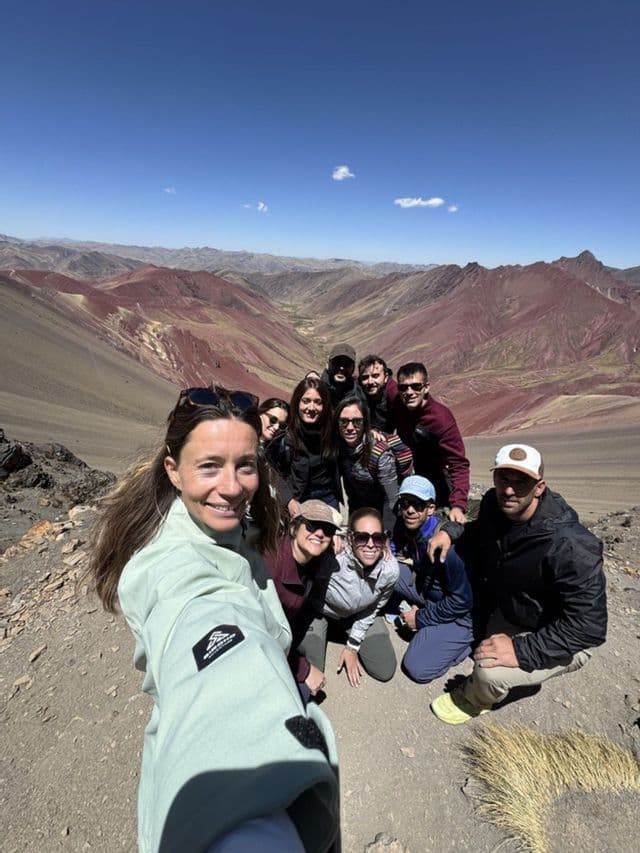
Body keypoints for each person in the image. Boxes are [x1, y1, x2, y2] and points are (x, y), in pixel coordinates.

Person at [88, 386, 340, 852]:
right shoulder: (174, 569)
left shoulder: (225, 522)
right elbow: (206, 623)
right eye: (209, 465)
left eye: (245, 465)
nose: (231, 486)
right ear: (174, 470)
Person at [429, 443, 607, 725]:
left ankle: (474, 700)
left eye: (521, 481)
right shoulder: (494, 505)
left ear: (539, 487)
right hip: (517, 607)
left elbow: (590, 628)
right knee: (484, 642)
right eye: (503, 478)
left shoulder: (569, 545)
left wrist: (522, 650)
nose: (509, 490)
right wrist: (450, 532)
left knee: (488, 670)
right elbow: (476, 529)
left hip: (559, 631)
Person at [301, 508, 399, 688]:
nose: (370, 544)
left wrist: (352, 646)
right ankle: (321, 632)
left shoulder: (390, 570)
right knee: (311, 673)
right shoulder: (332, 554)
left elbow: (375, 608)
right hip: (320, 612)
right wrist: (331, 537)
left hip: (358, 614)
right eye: (362, 537)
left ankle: (339, 632)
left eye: (377, 538)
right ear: (351, 537)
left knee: (384, 669)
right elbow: (302, 540)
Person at [390, 476, 473, 683]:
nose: (409, 510)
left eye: (417, 504)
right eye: (405, 503)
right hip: (429, 591)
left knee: (416, 667)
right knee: (387, 569)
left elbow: (462, 602)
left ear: (430, 508)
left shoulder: (449, 549)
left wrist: (420, 619)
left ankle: (469, 639)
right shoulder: (408, 527)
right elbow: (392, 548)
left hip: (461, 612)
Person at [264, 500, 339, 701]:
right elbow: (259, 636)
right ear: (293, 528)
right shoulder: (271, 567)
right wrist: (303, 669)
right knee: (301, 694)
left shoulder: (313, 558)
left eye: (328, 530)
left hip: (290, 629)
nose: (320, 533)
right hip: (260, 645)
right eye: (312, 525)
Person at [387, 361, 469, 523]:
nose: (409, 392)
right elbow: (381, 380)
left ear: (426, 387)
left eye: (416, 386)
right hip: (412, 471)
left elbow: (458, 464)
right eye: (403, 387)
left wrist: (458, 505)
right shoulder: (397, 398)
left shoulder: (441, 419)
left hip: (440, 478)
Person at [267, 376, 341, 515]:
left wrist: (373, 430)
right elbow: (272, 470)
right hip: (296, 499)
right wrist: (288, 500)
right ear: (297, 403)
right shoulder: (284, 434)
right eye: (306, 401)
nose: (311, 407)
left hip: (328, 498)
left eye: (318, 402)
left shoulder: (333, 432)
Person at [334, 395, 399, 532]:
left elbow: (392, 498)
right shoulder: (338, 447)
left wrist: (387, 534)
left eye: (357, 421)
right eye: (344, 421)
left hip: (383, 511)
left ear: (365, 423)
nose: (350, 427)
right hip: (358, 506)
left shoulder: (380, 454)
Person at [357, 354, 396, 433]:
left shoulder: (394, 394)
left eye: (375, 376)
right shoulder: (357, 390)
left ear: (386, 377)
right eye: (365, 377)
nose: (370, 382)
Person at [320, 343, 366, 408]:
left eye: (347, 364)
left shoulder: (360, 393)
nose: (341, 368)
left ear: (353, 368)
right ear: (327, 365)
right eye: (337, 362)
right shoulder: (317, 390)